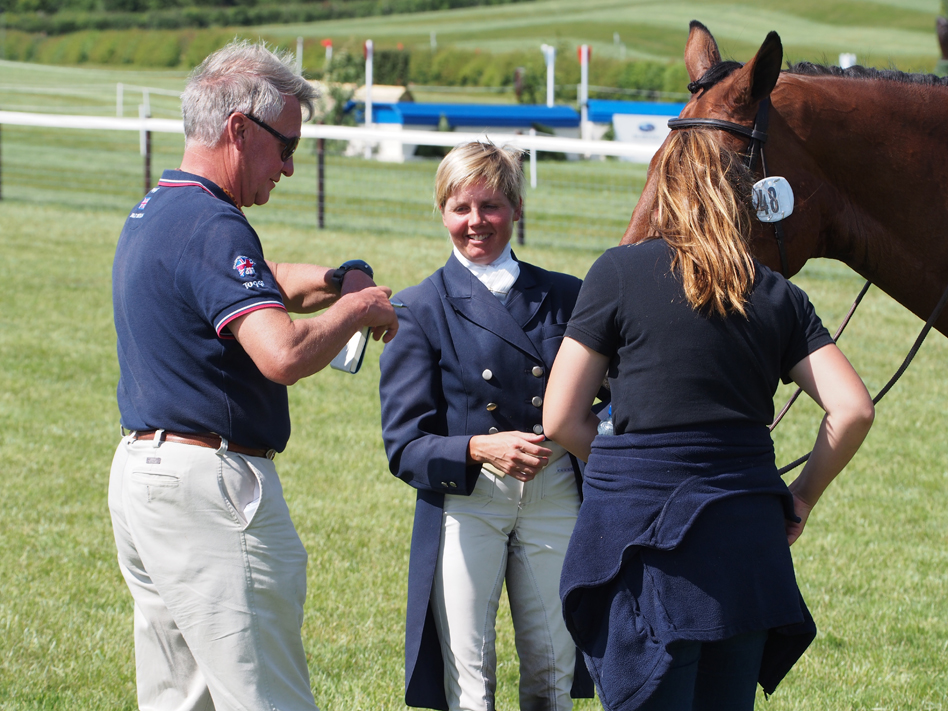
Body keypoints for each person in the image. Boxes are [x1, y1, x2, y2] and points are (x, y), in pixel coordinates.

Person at [108, 40, 399, 711]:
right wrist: (360, 306)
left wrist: (330, 281)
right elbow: (282, 353)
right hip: (211, 492)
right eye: (287, 144)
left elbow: (256, 285)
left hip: (146, 478)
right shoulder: (215, 225)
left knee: (181, 699)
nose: (291, 166)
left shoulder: (163, 208)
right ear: (240, 128)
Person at [542, 129, 875, 711]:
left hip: (645, 542)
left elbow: (561, 418)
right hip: (746, 544)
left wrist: (629, 467)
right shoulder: (776, 293)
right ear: (739, 197)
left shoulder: (616, 274)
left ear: (664, 190)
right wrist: (800, 496)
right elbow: (852, 410)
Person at [379, 141, 597, 711]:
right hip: (467, 499)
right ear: (443, 213)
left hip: (556, 495)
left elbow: (615, 397)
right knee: (469, 679)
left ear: (517, 208)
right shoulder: (418, 308)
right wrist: (479, 445)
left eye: (491, 205)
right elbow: (404, 446)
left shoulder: (568, 296)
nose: (476, 222)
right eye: (460, 207)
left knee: (555, 665)